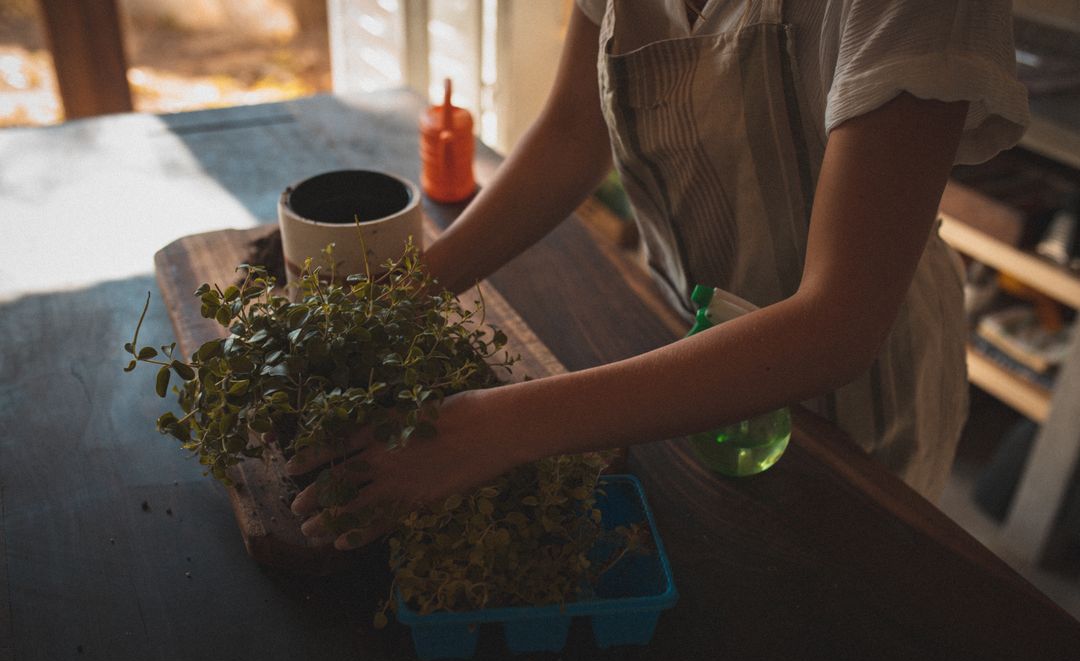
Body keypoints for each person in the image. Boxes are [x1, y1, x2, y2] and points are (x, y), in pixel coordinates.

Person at [290, 0, 1030, 548]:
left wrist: (492, 427)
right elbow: (574, 134)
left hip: (854, 408)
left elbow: (837, 325)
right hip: (683, 351)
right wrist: (406, 295)